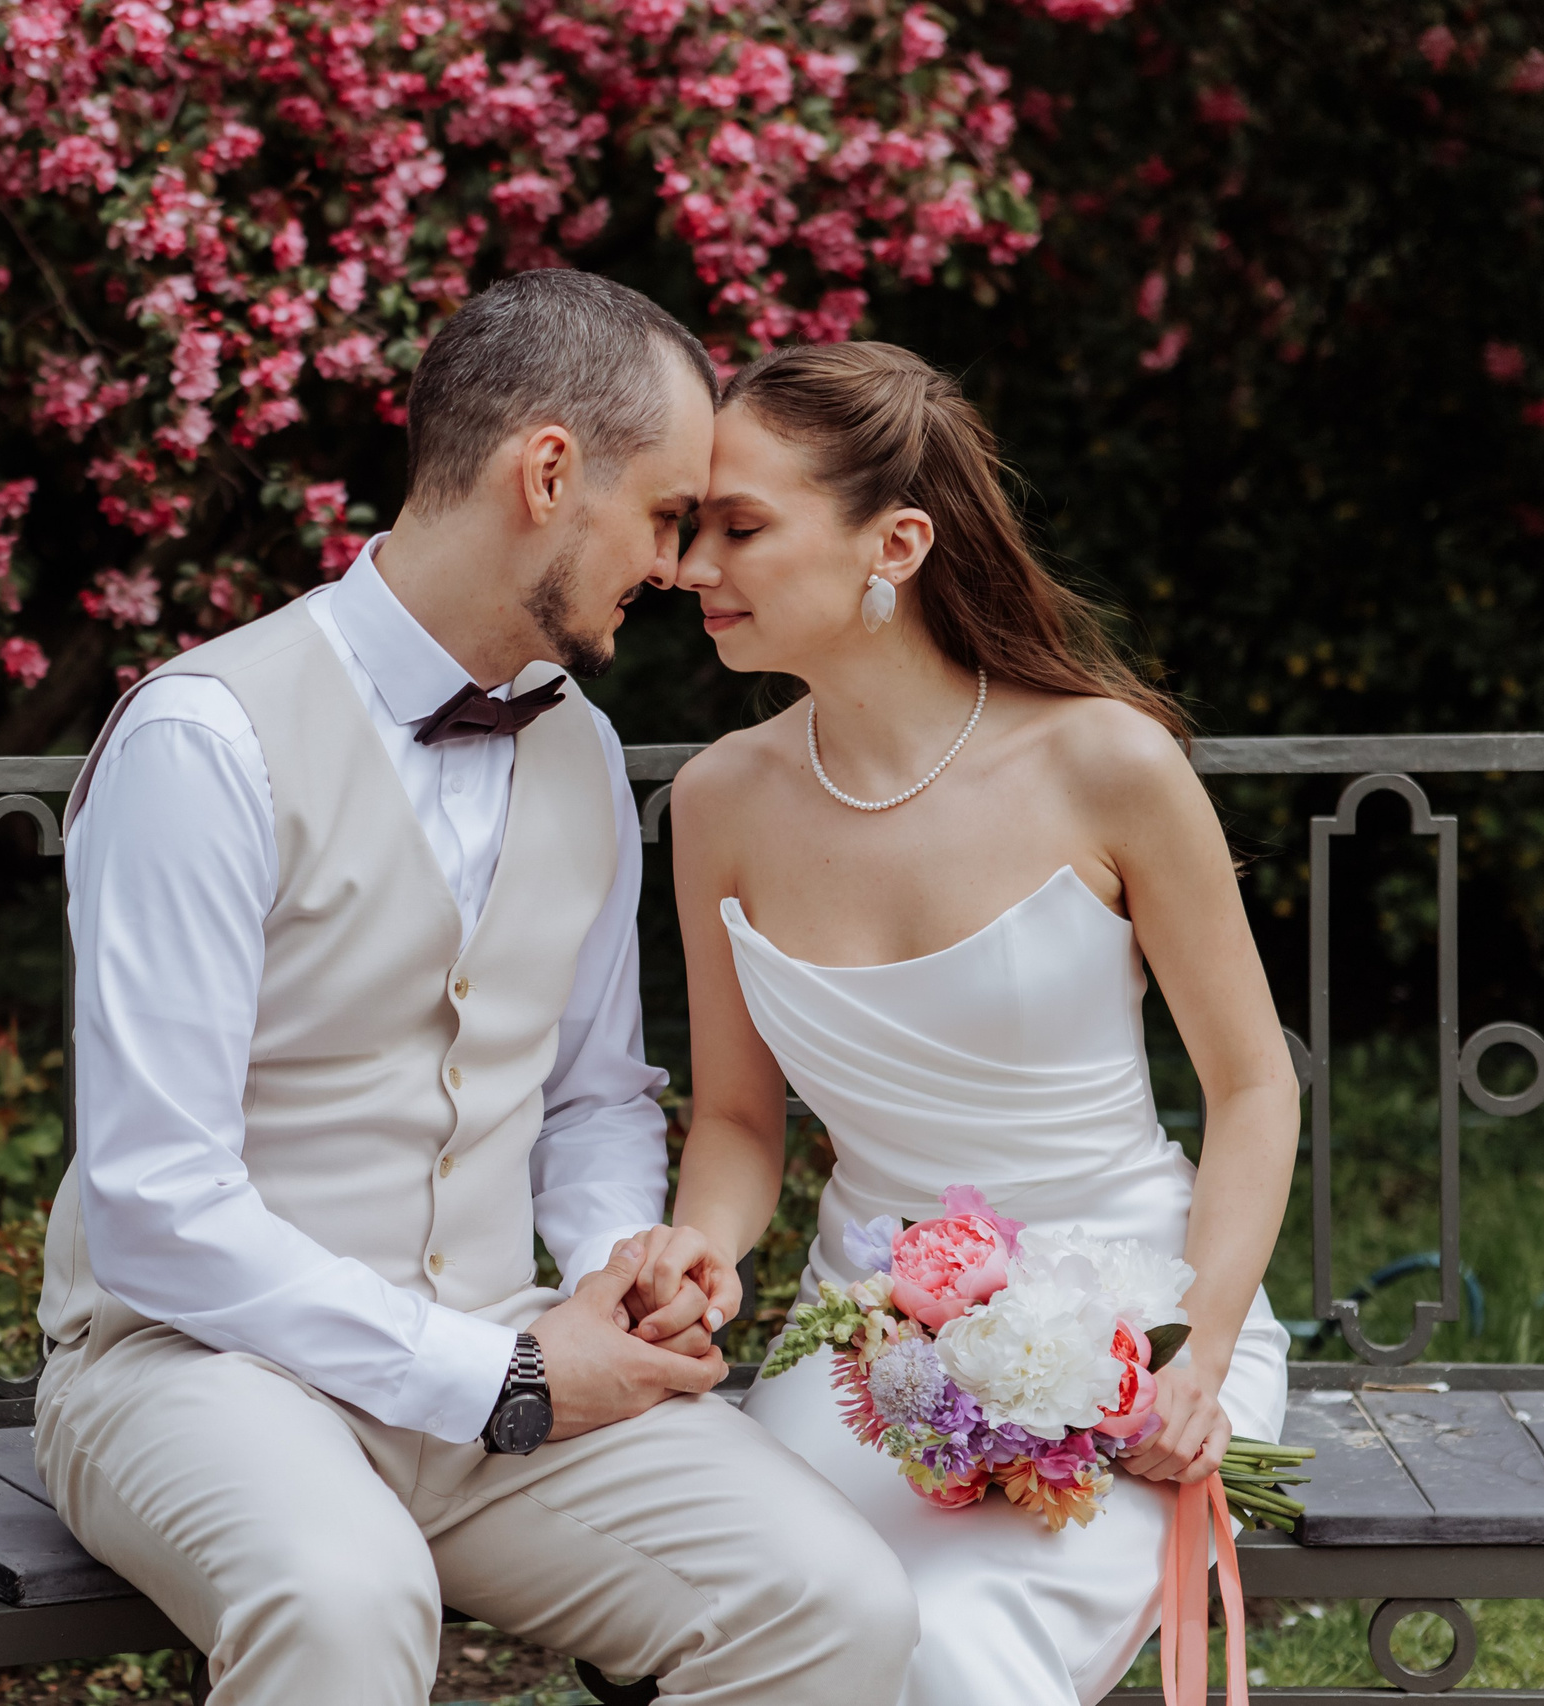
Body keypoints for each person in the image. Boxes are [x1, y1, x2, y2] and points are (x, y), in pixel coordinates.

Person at [33, 272, 915, 1706]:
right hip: (192, 1373)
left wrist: (615, 1269)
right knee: (344, 1597)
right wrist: (492, 1372)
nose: (687, 565)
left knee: (831, 1604)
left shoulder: (580, 746)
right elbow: (155, 1206)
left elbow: (588, 1097)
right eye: (669, 515)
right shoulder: (205, 740)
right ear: (549, 473)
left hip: (506, 1351)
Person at [642, 340, 1297, 1705]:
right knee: (785, 1627)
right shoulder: (717, 801)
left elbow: (1251, 1087)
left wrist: (1206, 1353)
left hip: (1130, 1336)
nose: (695, 568)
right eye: (694, 530)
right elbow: (740, 1121)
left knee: (954, 1658)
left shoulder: (1106, 761)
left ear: (897, 541)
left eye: (742, 528)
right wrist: (699, 1250)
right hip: (858, 1354)